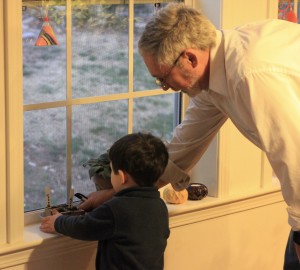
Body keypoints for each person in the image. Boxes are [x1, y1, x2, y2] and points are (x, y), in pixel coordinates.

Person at [137, 3, 300, 269]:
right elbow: (184, 145)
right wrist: (124, 190)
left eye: (163, 78)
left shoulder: (251, 74)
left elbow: (296, 160)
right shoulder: (214, 78)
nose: (166, 88)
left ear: (189, 58)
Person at [40, 132, 170, 270]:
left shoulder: (117, 209)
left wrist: (58, 222)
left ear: (121, 177)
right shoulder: (160, 206)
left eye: (112, 170)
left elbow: (85, 227)